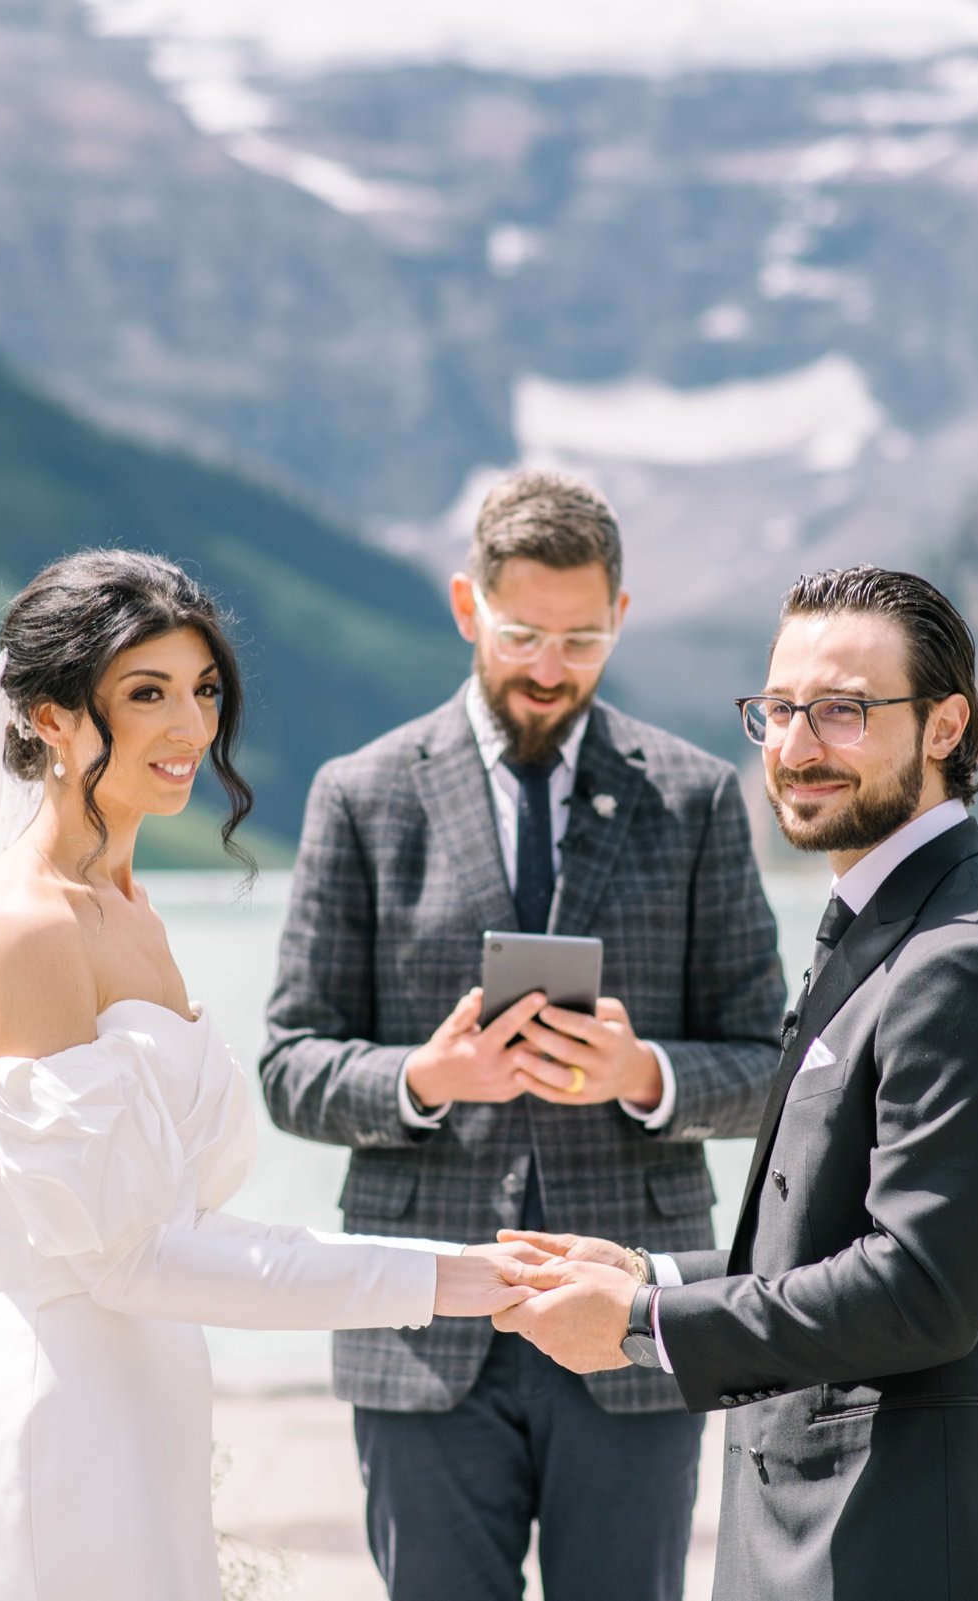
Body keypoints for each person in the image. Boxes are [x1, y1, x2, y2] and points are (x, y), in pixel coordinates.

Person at [0, 550, 531, 1601]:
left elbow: (184, 1214)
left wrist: (451, 1265)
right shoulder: (27, 928)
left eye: (204, 689)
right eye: (147, 694)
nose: (191, 728)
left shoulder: (126, 907)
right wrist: (440, 1277)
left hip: (149, 1423)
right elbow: (128, 1258)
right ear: (49, 715)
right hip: (61, 1434)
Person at [494, 566, 978, 1601]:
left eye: (842, 711)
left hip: (915, 1546)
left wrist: (640, 1322)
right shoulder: (894, 923)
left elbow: (919, 1290)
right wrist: (650, 1271)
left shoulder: (975, 959)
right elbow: (819, 1239)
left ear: (945, 725)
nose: (793, 745)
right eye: (776, 709)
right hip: (834, 1533)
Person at [259, 471, 785, 1601]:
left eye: (582, 639)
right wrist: (424, 1077)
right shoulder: (360, 795)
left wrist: (644, 1073)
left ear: (622, 618)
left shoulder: (695, 798)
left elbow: (770, 1068)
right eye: (523, 634)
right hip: (418, 1319)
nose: (550, 666)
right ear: (466, 606)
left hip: (636, 1323)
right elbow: (289, 1062)